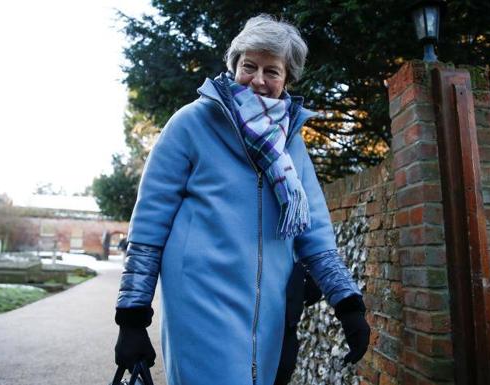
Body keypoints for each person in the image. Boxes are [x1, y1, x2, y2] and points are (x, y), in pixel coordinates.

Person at [114, 14, 370, 385]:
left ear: (287, 80)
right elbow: (149, 226)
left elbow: (314, 228)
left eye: (272, 71)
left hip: (271, 307)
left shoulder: (291, 142)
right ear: (234, 66)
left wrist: (347, 303)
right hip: (199, 299)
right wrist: (132, 317)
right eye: (249, 66)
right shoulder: (191, 124)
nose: (259, 80)